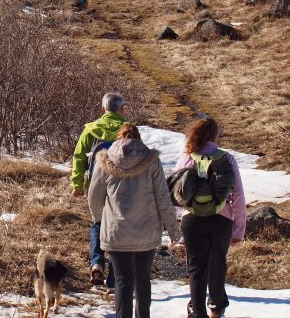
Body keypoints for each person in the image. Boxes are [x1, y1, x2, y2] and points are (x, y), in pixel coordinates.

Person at [88, 123, 181, 318]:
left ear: (118, 138)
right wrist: (173, 230)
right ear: (138, 139)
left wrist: (98, 219)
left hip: (116, 232)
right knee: (142, 279)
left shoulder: (104, 160)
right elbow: (163, 197)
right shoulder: (151, 160)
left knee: (122, 281)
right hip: (146, 233)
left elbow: (94, 197)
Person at [174, 117, 246, 318]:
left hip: (192, 219)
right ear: (215, 135)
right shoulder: (227, 159)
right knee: (217, 263)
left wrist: (182, 217)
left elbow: (177, 192)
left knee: (196, 266)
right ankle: (216, 306)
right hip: (221, 219)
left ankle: (197, 311)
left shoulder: (187, 158)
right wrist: (238, 229)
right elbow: (238, 195)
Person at [71, 92, 126, 288]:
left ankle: (96, 264)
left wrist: (77, 183)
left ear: (102, 109)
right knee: (118, 229)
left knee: (97, 223)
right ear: (122, 109)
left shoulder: (91, 129)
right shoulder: (128, 130)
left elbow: (78, 157)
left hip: (95, 185)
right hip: (122, 186)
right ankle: (114, 278)